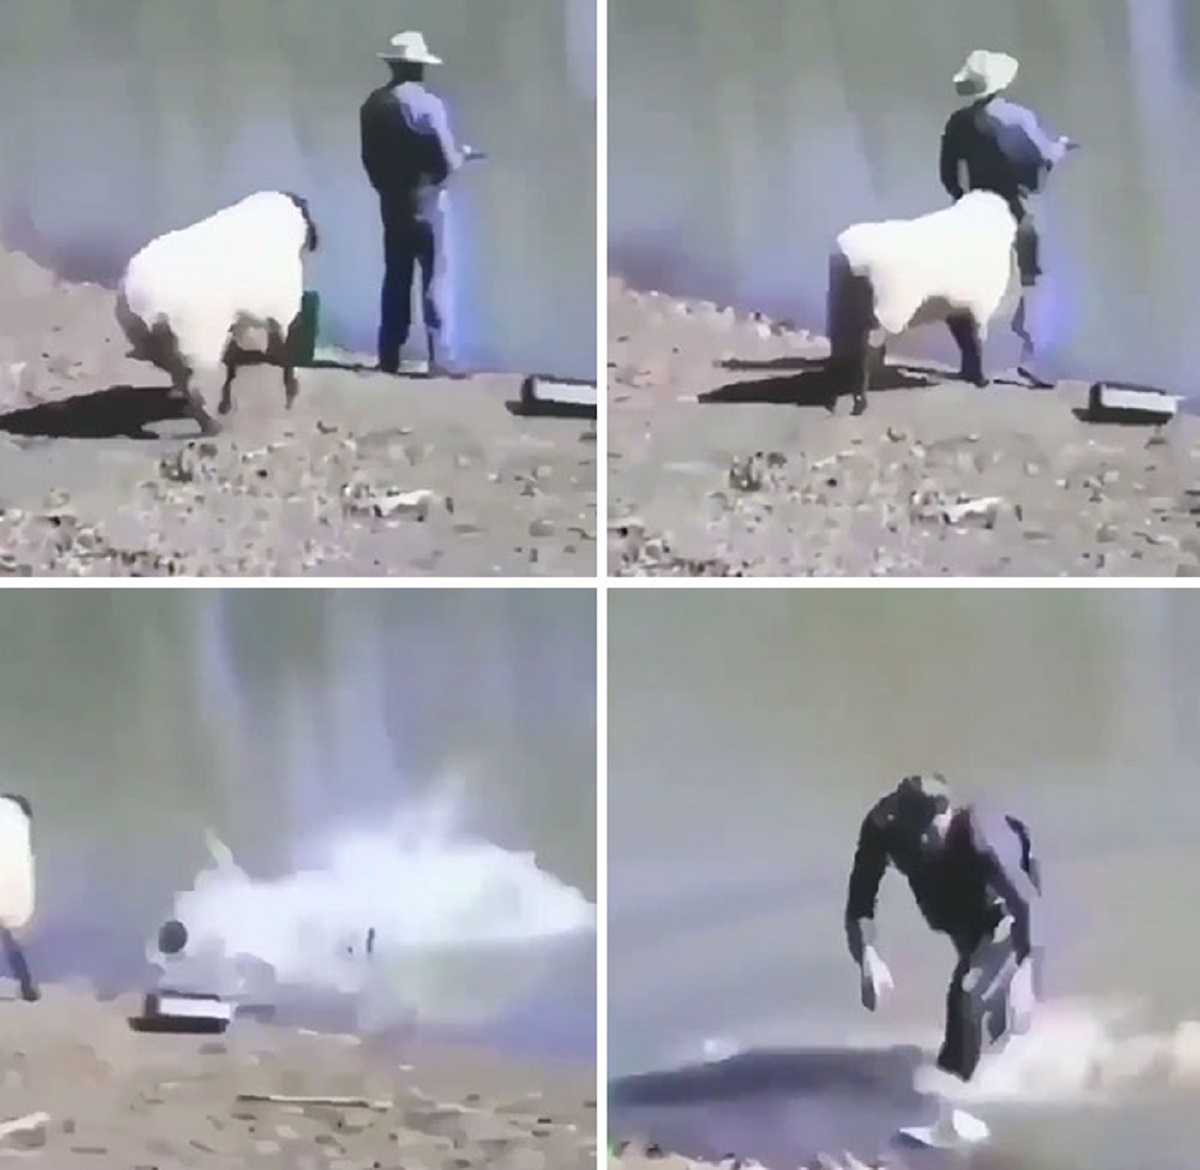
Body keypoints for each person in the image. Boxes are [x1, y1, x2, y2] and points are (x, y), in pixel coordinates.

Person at [844, 774, 1042, 1145]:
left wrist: (1024, 971)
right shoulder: (884, 826)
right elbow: (859, 904)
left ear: (946, 813)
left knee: (967, 994)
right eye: (910, 831)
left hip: (1005, 911)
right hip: (957, 915)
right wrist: (867, 955)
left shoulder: (983, 834)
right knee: (985, 1005)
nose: (918, 842)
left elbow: (1030, 908)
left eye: (926, 831)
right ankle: (999, 1058)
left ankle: (953, 1113)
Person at [939, 50, 1078, 387]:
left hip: (978, 210)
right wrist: (1061, 148)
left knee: (977, 282)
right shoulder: (1016, 118)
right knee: (1030, 282)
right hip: (1018, 211)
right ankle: (1030, 360)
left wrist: (961, 198)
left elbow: (948, 174)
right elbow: (1041, 159)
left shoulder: (958, 123)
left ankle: (975, 360)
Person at [359, 30, 476, 376]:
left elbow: (368, 158)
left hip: (393, 202)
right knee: (436, 278)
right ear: (418, 68)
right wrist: (463, 156)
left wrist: (386, 189)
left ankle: (389, 356)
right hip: (429, 203)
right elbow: (446, 160)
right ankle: (441, 359)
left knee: (396, 278)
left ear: (393, 66)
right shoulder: (428, 105)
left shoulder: (373, 106)